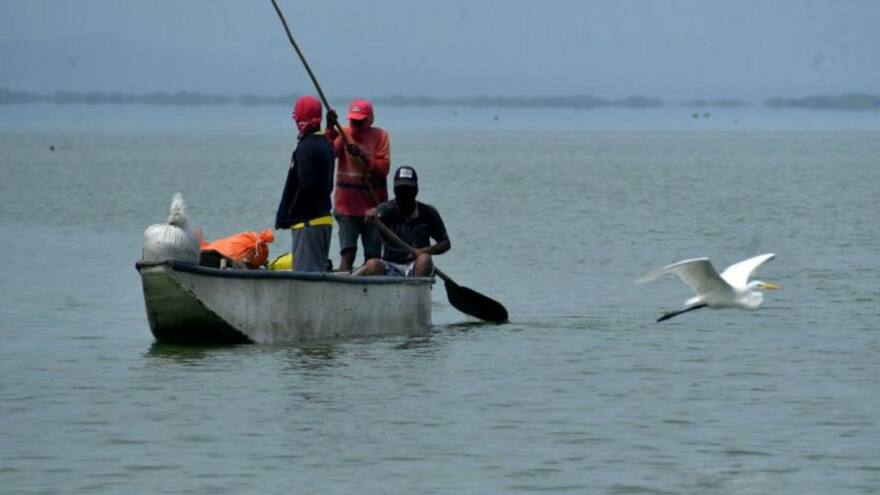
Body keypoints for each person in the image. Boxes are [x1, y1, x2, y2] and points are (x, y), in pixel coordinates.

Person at [325, 99, 390, 272]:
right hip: (346, 208)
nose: (356, 126)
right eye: (353, 121)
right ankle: (342, 287)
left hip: (373, 209)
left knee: (373, 258)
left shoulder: (380, 136)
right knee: (348, 254)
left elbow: (383, 169)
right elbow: (328, 154)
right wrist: (330, 128)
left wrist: (363, 155)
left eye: (360, 122)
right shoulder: (344, 134)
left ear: (370, 120)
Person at [275, 96, 335, 272]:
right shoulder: (325, 144)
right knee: (317, 272)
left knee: (308, 277)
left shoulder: (307, 147)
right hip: (322, 219)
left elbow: (306, 185)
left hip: (308, 223)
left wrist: (291, 212)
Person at [357, 166, 450, 277]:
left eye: (408, 190)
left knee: (424, 259)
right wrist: (371, 214)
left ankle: (415, 291)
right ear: (395, 191)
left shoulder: (429, 213)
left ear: (415, 191)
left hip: (416, 266)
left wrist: (426, 250)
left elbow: (445, 243)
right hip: (391, 265)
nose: (404, 195)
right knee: (371, 265)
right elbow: (372, 216)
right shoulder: (386, 209)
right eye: (401, 190)